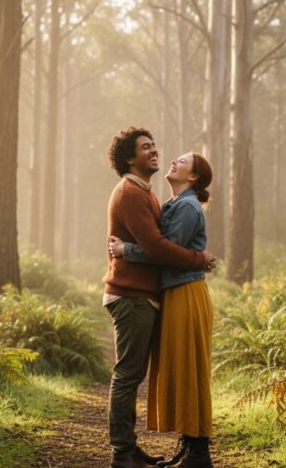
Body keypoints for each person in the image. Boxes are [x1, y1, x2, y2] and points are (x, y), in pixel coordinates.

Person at [103, 127, 217, 468]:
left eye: (155, 145)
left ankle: (192, 450)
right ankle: (123, 452)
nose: (157, 152)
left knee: (183, 368)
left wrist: (128, 249)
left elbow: (161, 246)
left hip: (160, 295)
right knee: (131, 374)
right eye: (145, 147)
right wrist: (200, 259)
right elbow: (158, 248)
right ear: (129, 158)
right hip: (133, 296)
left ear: (193, 176)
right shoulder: (133, 194)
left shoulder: (161, 199)